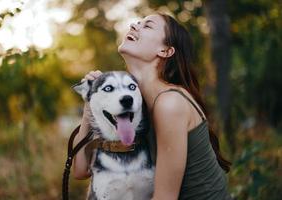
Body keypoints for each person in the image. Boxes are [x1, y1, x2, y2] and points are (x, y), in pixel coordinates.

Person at [73, 13, 232, 200]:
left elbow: (165, 198)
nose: (134, 25)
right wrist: (91, 102)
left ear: (165, 51)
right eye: (137, 23)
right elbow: (80, 170)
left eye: (147, 25)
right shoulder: (135, 102)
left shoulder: (169, 103)